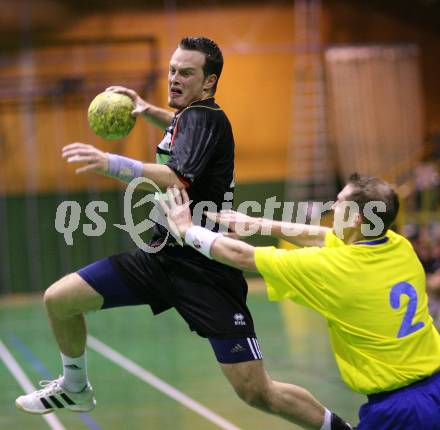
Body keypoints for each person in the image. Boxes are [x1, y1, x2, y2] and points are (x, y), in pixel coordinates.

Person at [15, 37, 352, 430]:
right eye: (173, 69)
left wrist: (111, 162)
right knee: (60, 300)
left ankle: (339, 428)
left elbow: (177, 176)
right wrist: (146, 110)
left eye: (186, 73)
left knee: (257, 392)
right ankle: (75, 386)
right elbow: (179, 130)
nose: (174, 77)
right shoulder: (188, 117)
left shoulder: (205, 118)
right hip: (159, 258)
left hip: (207, 270)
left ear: (208, 83)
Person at [160, 173, 440, 430]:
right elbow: (326, 237)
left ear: (356, 219)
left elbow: (242, 256)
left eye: (340, 203)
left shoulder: (332, 268)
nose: (333, 207)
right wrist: (259, 224)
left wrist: (187, 230)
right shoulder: (398, 245)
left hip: (402, 411)